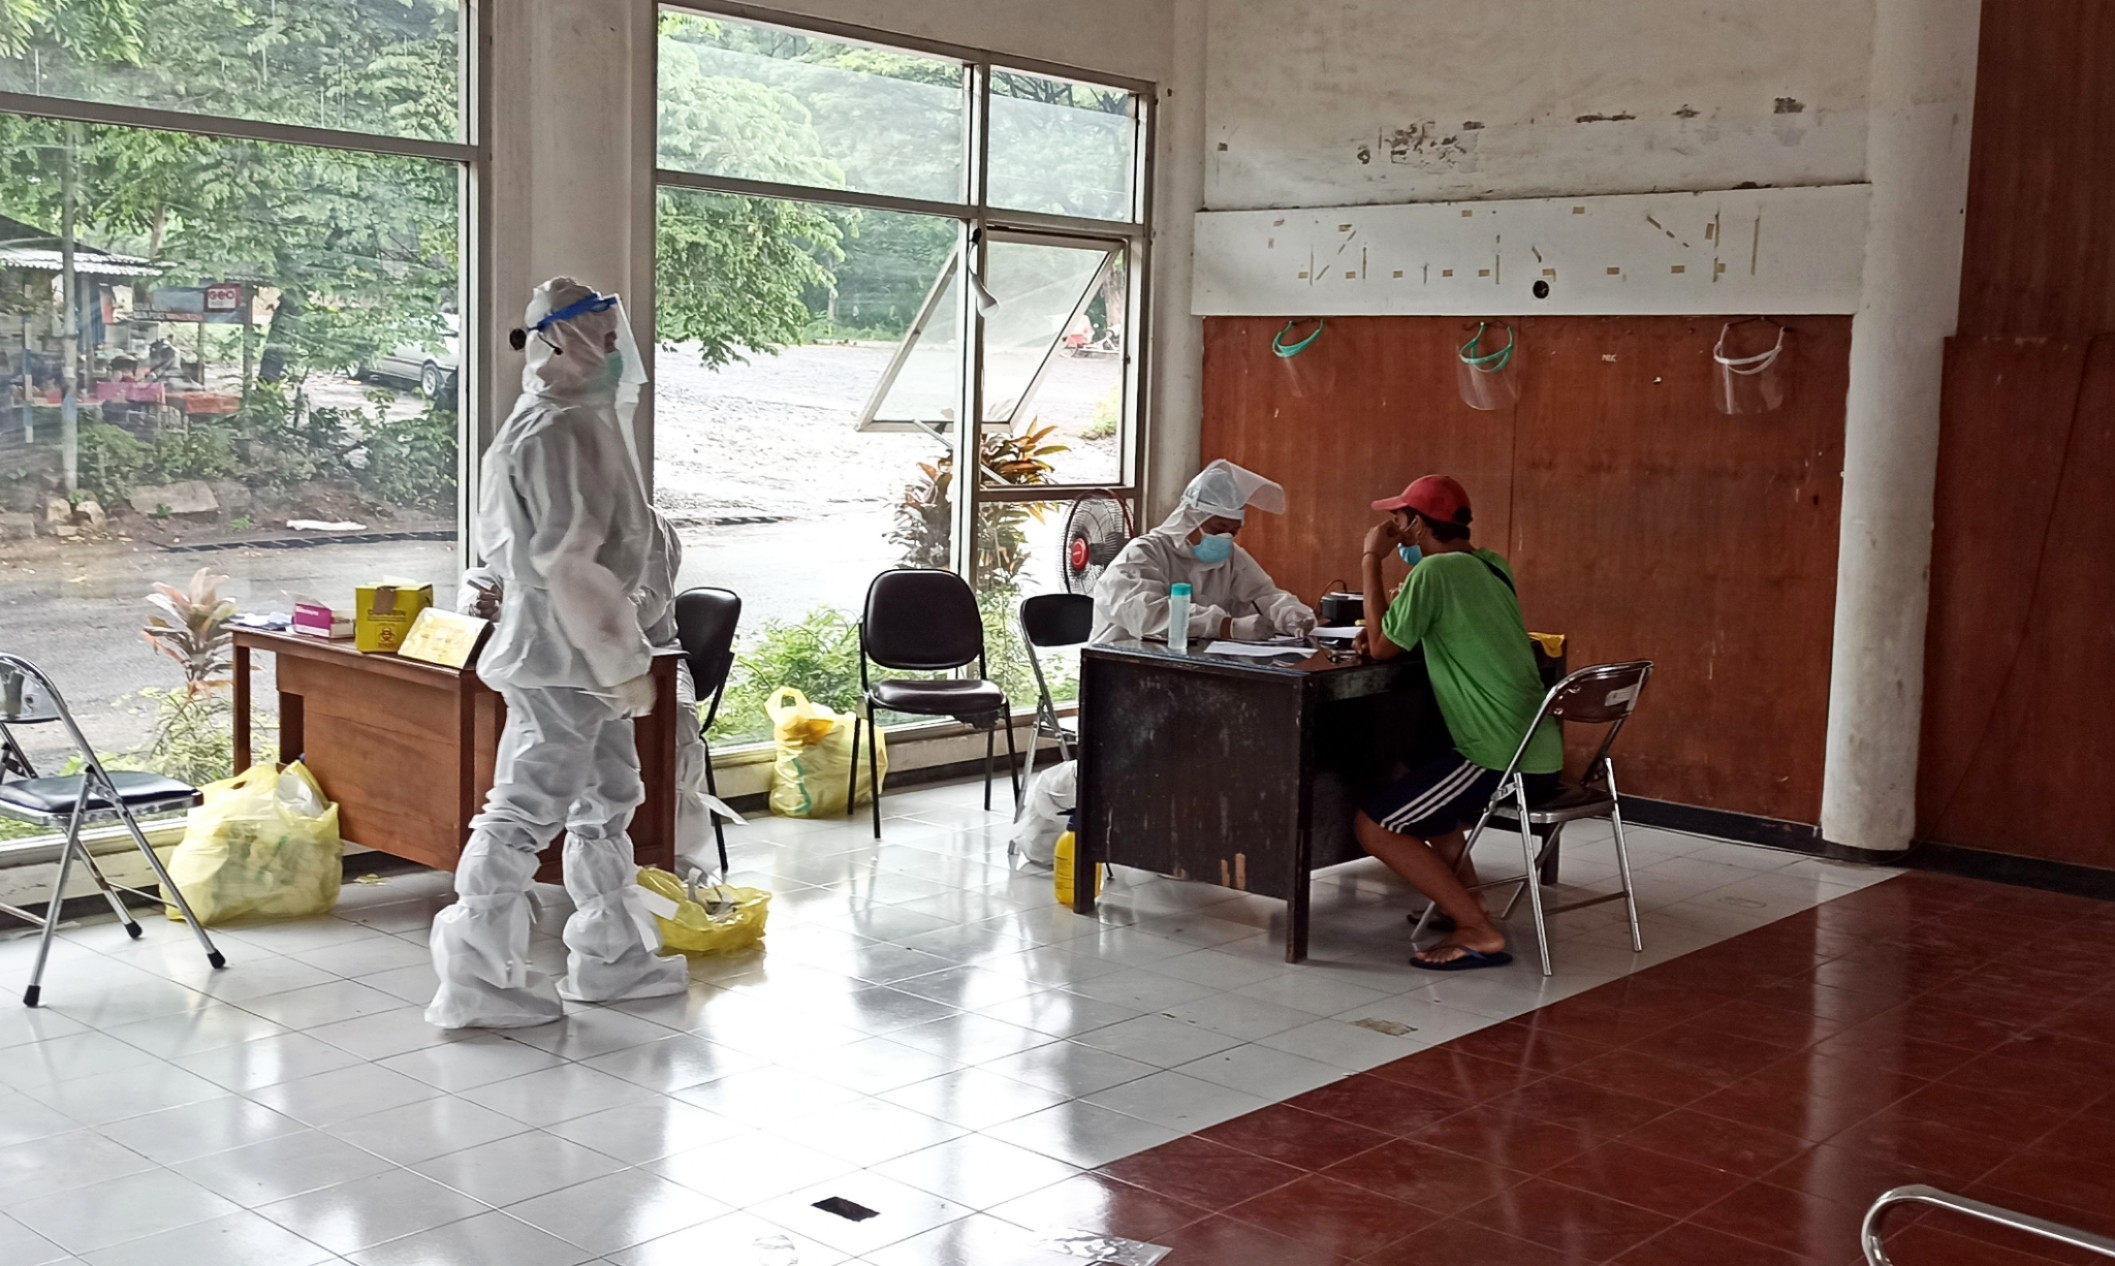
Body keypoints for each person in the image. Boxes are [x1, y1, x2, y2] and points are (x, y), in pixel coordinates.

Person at [427, 277, 686, 1030]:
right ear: (557, 341)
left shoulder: (572, 421)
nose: (616, 354)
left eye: (616, 340)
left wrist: (622, 652)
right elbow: (569, 562)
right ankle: (475, 979)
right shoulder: (554, 432)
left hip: (582, 654)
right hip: (561, 655)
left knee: (607, 799)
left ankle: (612, 956)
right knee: (524, 810)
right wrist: (620, 659)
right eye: (604, 340)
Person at [1352, 475, 1560, 971]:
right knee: (1418, 763)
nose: (1394, 531)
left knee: (1375, 827)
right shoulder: (1491, 567)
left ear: (1419, 524)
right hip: (1538, 746)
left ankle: (1478, 931)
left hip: (1499, 752)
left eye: (1399, 521)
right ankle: (1468, 903)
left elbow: (1381, 647)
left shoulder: (1434, 573)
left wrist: (1369, 559)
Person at [459, 506, 725, 879]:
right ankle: (560, 866)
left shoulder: (645, 524)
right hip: (559, 665)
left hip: (649, 660)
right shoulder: (541, 516)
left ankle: (674, 862)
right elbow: (488, 577)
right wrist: (482, 603)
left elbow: (648, 601)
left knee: (673, 733)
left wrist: (569, 617)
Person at [1091, 459, 1316, 644]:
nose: (1225, 537)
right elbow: (1145, 614)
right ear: (1191, 520)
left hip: (1188, 664)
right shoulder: (1143, 553)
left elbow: (1262, 596)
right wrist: (1224, 626)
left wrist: (1289, 613)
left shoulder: (1231, 557)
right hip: (1124, 665)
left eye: (1233, 531)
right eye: (1218, 529)